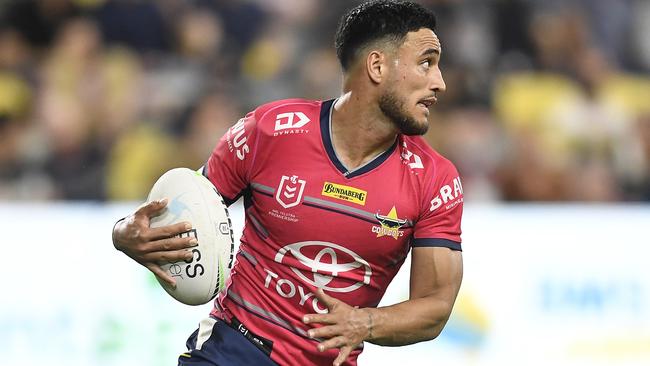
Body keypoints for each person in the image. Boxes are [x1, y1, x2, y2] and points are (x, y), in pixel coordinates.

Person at [111, 1, 464, 365]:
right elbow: (190, 207)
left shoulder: (435, 180)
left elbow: (435, 306)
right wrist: (124, 233)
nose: (440, 82)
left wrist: (365, 322)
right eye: (427, 62)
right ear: (377, 66)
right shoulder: (270, 130)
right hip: (233, 349)